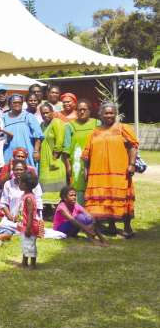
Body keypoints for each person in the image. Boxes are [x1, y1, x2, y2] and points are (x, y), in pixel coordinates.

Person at [82, 102, 138, 238]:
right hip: (98, 173)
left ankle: (127, 228)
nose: (109, 115)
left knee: (122, 198)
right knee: (106, 200)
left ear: (115, 114)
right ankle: (111, 227)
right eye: (106, 113)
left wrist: (131, 164)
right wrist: (86, 170)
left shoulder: (123, 128)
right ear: (101, 114)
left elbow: (133, 146)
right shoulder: (95, 132)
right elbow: (87, 154)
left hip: (119, 172)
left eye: (111, 113)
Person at [63, 99, 99, 204]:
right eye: (79, 110)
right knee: (78, 186)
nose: (82, 112)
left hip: (95, 161)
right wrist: (68, 166)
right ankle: (79, 208)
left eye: (84, 109)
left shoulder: (97, 123)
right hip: (77, 163)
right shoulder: (70, 126)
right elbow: (66, 148)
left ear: (90, 111)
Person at [38, 103, 67, 206]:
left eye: (47, 112)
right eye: (43, 113)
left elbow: (60, 141)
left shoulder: (57, 122)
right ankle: (48, 207)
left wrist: (54, 158)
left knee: (57, 185)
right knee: (45, 186)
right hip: (44, 161)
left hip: (55, 159)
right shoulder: (42, 125)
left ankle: (58, 207)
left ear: (52, 112)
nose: (45, 115)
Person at [2, 94, 43, 167]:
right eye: (15, 102)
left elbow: (38, 136)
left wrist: (36, 151)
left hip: (26, 151)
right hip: (8, 152)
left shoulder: (28, 116)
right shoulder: (4, 117)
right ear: (10, 104)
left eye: (19, 102)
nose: (17, 104)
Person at [17, 171, 41, 269]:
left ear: (25, 184)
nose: (19, 184)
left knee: (30, 245)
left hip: (29, 226)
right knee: (25, 244)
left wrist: (28, 228)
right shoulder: (24, 195)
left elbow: (31, 214)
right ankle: (24, 261)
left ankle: (33, 263)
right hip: (24, 224)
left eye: (20, 182)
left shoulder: (29, 198)